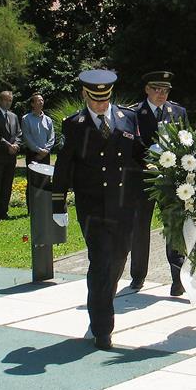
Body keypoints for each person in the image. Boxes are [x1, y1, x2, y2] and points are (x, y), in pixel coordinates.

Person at [51, 69, 144, 350]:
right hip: (92, 207)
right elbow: (64, 166)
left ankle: (99, 303)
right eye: (95, 100)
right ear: (84, 95)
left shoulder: (128, 118)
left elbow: (139, 153)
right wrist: (58, 202)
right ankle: (103, 328)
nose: (100, 105)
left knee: (117, 260)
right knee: (101, 260)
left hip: (123, 205)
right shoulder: (74, 125)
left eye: (105, 99)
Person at [130, 71, 188, 295]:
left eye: (165, 90)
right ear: (147, 89)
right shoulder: (134, 113)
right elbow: (131, 147)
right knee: (140, 227)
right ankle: (138, 275)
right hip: (142, 179)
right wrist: (147, 162)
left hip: (170, 180)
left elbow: (185, 143)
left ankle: (178, 278)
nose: (161, 94)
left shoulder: (177, 112)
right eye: (157, 89)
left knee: (174, 226)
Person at [0, 91, 22, 222]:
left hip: (11, 157)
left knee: (7, 185)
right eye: (6, 100)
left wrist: (16, 145)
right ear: (0, 100)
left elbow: (19, 133)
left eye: (10, 100)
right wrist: (9, 146)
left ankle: (3, 212)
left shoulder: (13, 116)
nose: (8, 103)